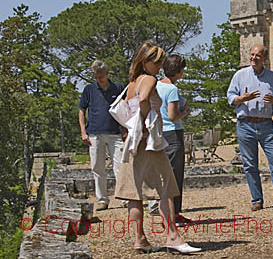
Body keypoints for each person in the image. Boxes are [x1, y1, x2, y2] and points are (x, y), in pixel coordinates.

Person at [114, 41, 201, 254]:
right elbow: (144, 100)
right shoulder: (149, 79)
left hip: (133, 142)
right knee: (166, 188)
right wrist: (145, 123)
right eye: (157, 61)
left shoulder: (133, 82)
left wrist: (134, 127)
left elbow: (126, 107)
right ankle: (173, 236)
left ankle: (140, 239)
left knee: (134, 193)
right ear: (145, 61)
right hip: (148, 142)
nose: (160, 66)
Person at [226, 44, 273, 211]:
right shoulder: (240, 75)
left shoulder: (271, 76)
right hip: (245, 124)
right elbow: (230, 98)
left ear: (264, 58)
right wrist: (241, 98)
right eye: (252, 54)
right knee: (250, 165)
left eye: (258, 55)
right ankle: (256, 200)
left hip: (266, 125)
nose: (254, 58)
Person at [148, 54, 191, 225]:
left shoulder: (157, 86)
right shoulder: (172, 89)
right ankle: (174, 213)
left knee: (162, 174)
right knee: (175, 175)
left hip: (159, 131)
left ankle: (163, 209)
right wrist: (184, 112)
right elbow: (173, 116)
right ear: (179, 71)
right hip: (173, 133)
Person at [78, 60, 125, 211]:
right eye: (96, 77)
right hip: (95, 134)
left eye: (101, 77)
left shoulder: (118, 87)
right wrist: (83, 131)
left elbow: (125, 109)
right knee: (98, 168)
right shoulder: (89, 89)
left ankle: (125, 198)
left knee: (121, 166)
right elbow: (81, 110)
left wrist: (125, 129)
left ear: (107, 74)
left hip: (115, 133)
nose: (99, 80)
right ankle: (102, 199)